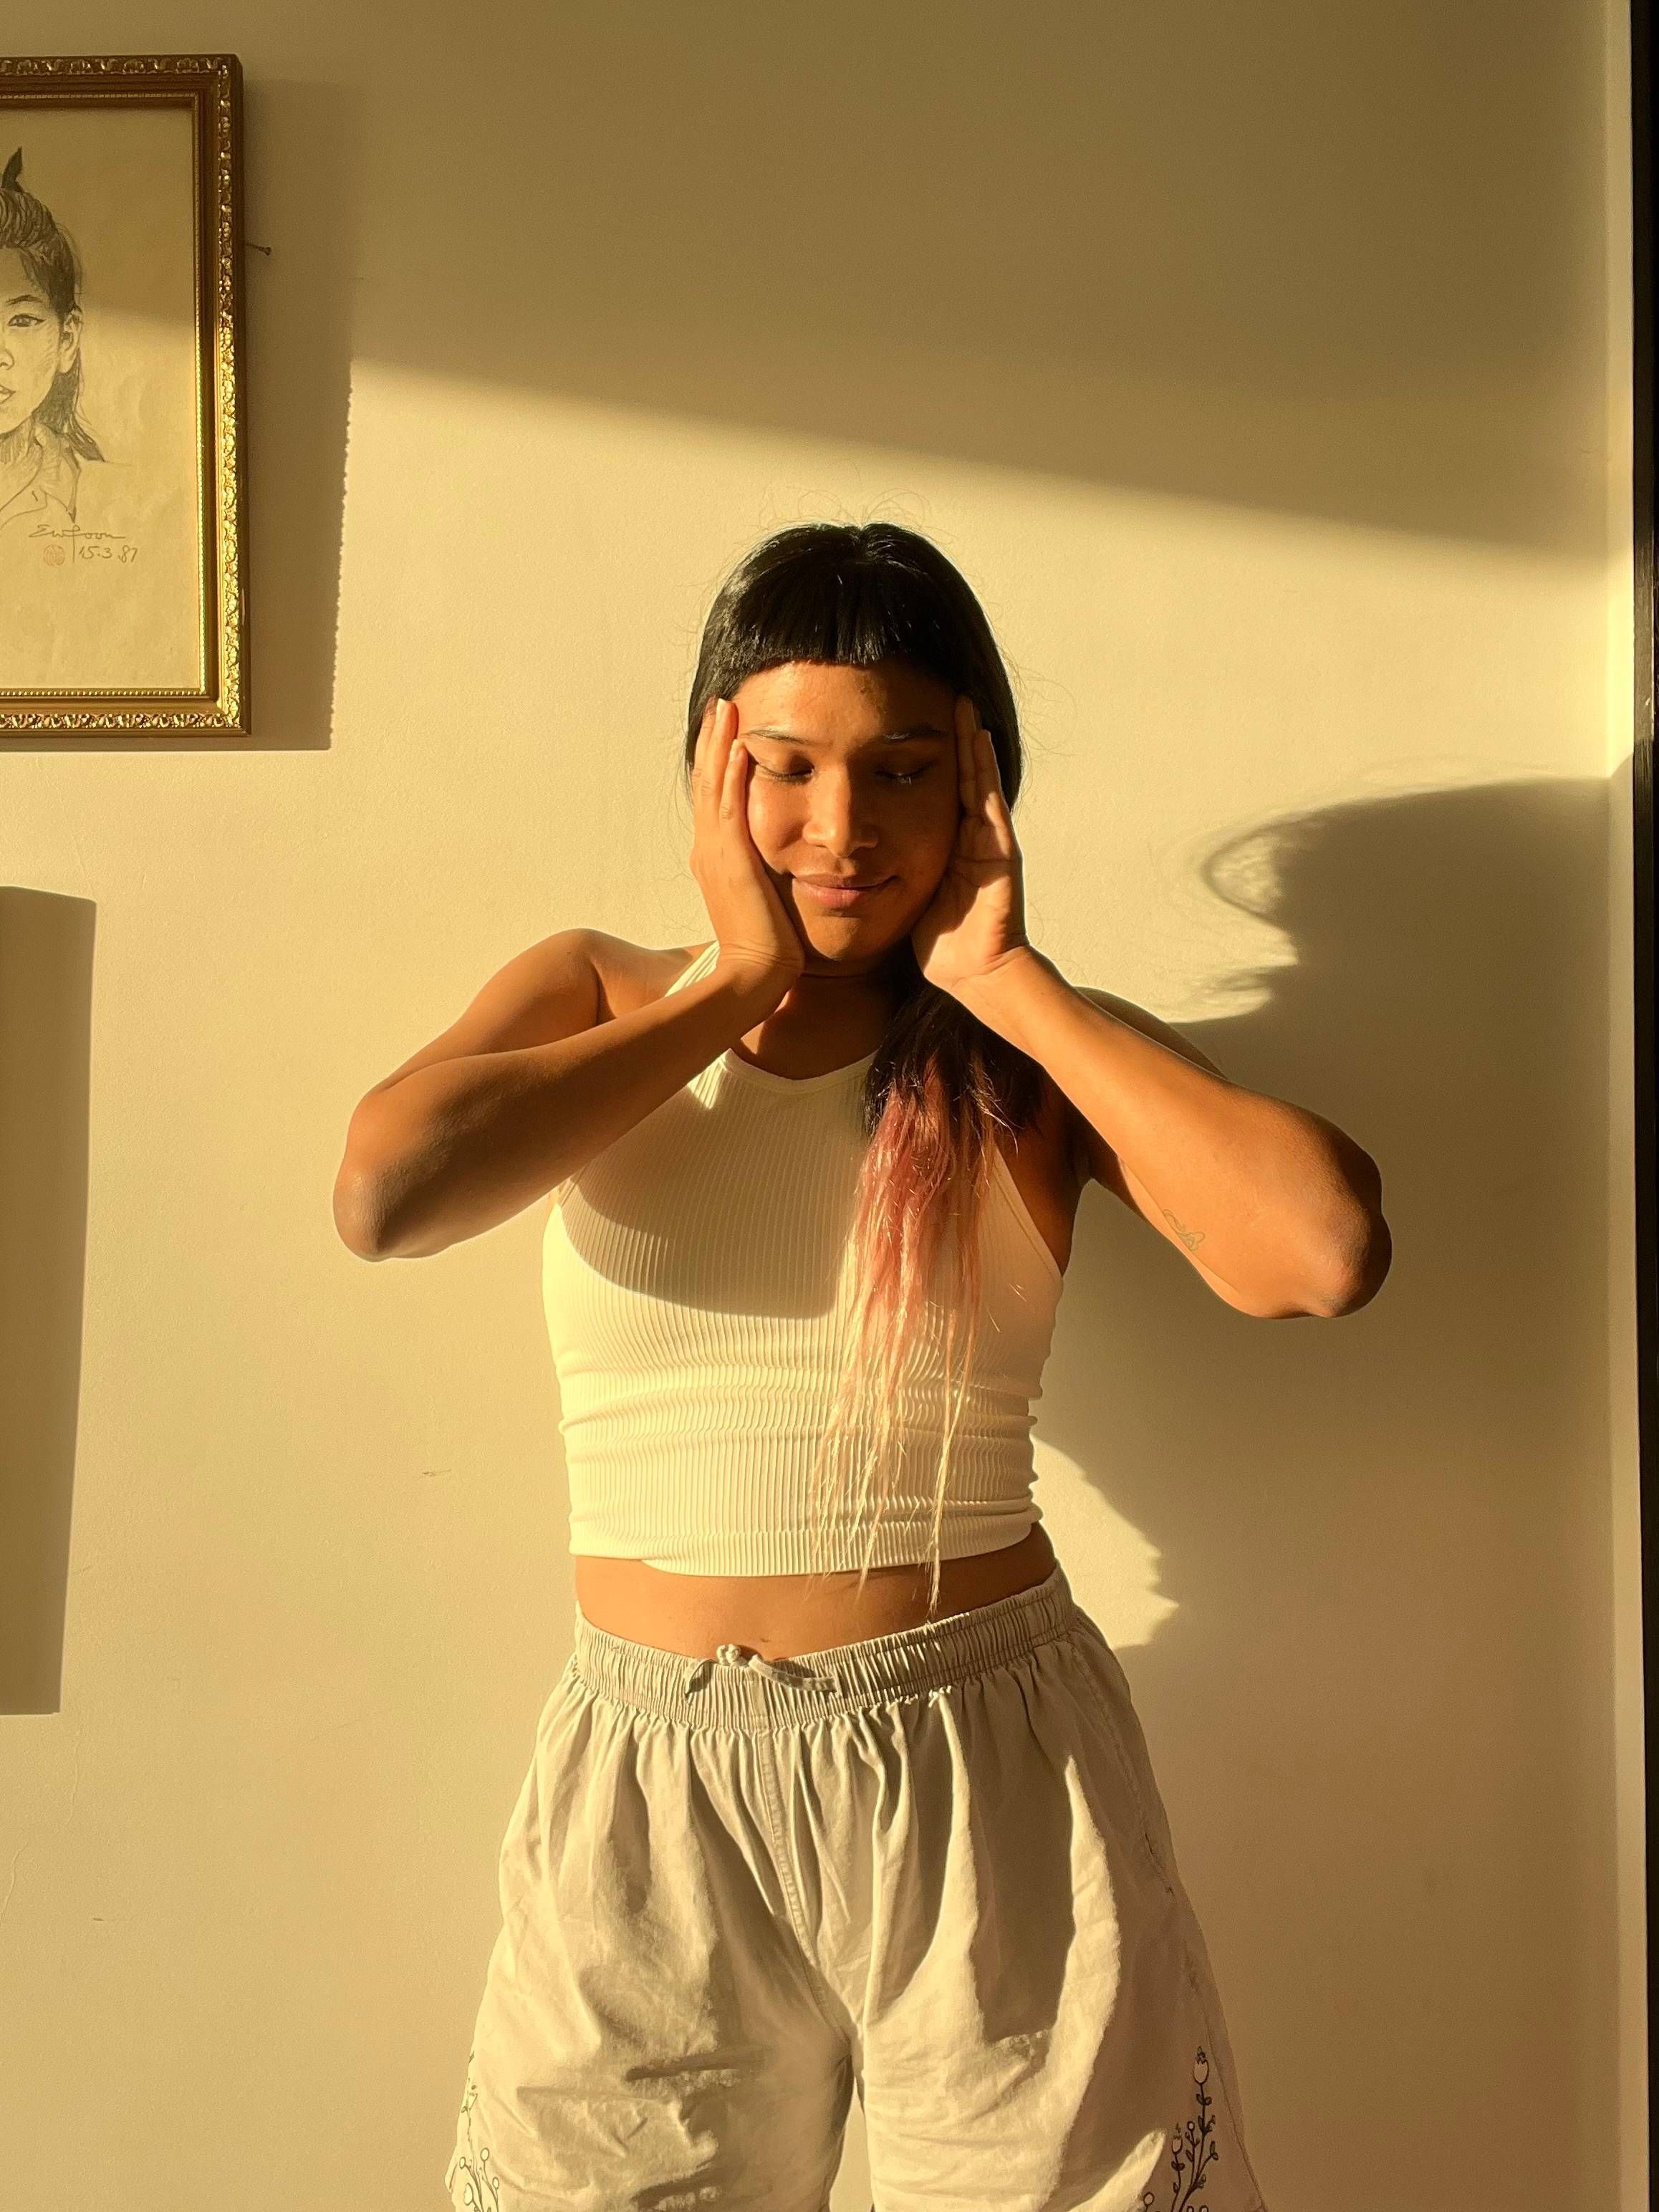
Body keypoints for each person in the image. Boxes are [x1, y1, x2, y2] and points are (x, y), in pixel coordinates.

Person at [333, 521, 1390, 2211]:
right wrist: (736, 979)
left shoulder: (1028, 1052)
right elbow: (388, 1195)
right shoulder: (601, 992)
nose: (843, 826)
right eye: (790, 766)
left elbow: (1321, 1252)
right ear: (712, 768)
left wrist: (1009, 978)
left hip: (988, 1763)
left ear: (980, 783)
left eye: (902, 767)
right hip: (649, 1784)